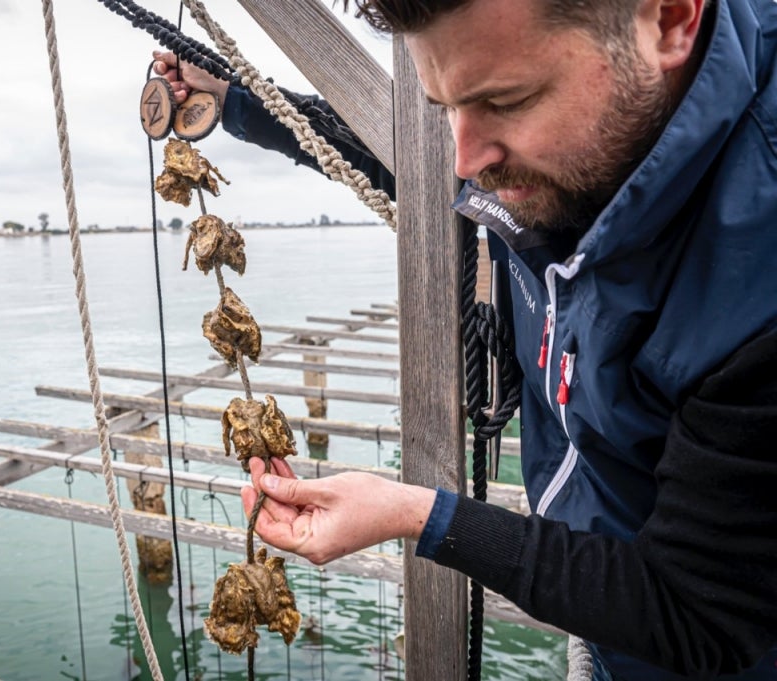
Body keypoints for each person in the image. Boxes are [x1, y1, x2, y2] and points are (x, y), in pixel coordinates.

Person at [153, 0, 777, 678]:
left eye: (506, 100)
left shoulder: (758, 273)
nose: (466, 158)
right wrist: (232, 99)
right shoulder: (571, 133)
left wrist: (419, 514)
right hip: (607, 635)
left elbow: (698, 611)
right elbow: (395, 159)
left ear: (670, 19)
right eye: (443, 106)